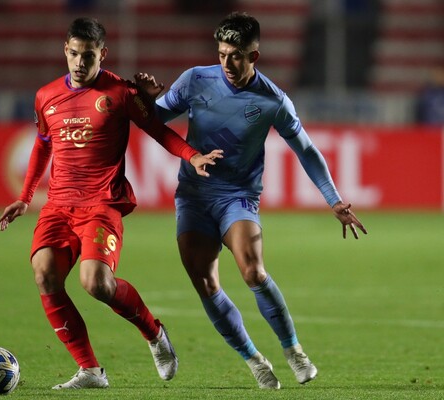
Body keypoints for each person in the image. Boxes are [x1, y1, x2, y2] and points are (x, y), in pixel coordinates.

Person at [135, 11, 367, 389]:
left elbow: (306, 150)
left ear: (254, 56)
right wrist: (146, 103)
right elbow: (154, 121)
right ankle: (254, 359)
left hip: (237, 196)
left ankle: (293, 350)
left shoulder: (273, 100)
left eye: (236, 55)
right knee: (205, 283)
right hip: (193, 196)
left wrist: (334, 200)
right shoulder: (196, 79)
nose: (227, 62)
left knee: (252, 270)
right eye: (222, 53)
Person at [0, 17, 222, 390]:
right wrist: (24, 197)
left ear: (102, 54)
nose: (80, 63)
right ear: (65, 52)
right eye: (73, 54)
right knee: (44, 274)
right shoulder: (46, 96)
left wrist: (192, 155)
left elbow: (159, 131)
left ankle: (154, 334)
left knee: (96, 283)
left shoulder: (120, 93)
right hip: (58, 205)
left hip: (101, 204)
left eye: (88, 56)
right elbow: (42, 145)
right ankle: (90, 371)